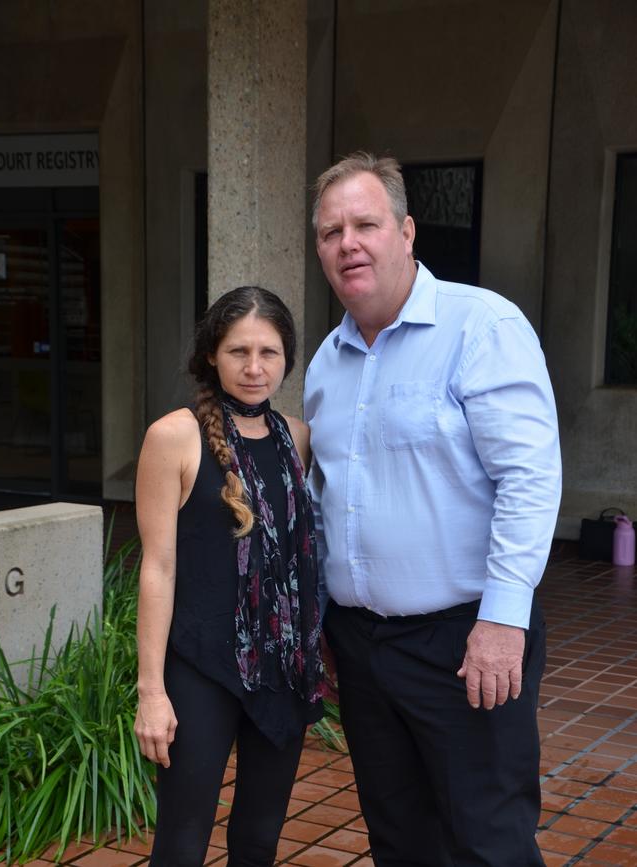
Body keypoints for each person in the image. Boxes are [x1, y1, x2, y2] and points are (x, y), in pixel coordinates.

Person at [304, 153, 562, 867]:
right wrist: (325, 617)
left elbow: (530, 478)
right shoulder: (327, 362)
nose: (348, 243)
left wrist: (504, 619)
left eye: (366, 224)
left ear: (407, 231)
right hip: (361, 648)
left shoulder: (480, 326)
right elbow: (331, 498)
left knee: (488, 841)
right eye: (331, 232)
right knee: (398, 839)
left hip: (465, 641)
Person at [134, 286, 324, 867]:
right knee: (182, 844)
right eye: (238, 350)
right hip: (200, 667)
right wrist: (151, 691)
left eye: (269, 352)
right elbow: (158, 568)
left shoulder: (299, 436)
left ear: (287, 359)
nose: (254, 367)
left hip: (280, 667)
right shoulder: (175, 436)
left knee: (259, 839)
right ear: (212, 355)